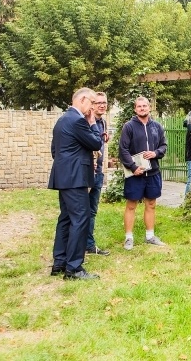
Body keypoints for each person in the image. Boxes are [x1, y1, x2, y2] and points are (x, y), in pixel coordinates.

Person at [49, 87, 104, 280]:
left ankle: (60, 262)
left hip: (64, 177)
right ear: (82, 100)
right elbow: (96, 143)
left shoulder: (62, 120)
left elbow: (54, 150)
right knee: (80, 219)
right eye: (91, 102)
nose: (93, 107)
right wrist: (92, 123)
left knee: (66, 218)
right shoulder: (78, 120)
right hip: (75, 177)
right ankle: (74, 268)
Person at [119, 97, 168, 250]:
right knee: (131, 205)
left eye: (144, 106)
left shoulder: (157, 127)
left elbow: (163, 146)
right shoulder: (128, 127)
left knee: (151, 204)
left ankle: (150, 236)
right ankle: (128, 238)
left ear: (149, 107)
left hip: (152, 172)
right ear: (135, 109)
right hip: (135, 174)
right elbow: (123, 150)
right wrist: (133, 167)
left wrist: (155, 153)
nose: (142, 108)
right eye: (139, 106)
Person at [86, 91, 111, 256]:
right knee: (81, 210)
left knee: (92, 210)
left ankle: (88, 244)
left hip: (99, 172)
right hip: (86, 171)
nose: (102, 105)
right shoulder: (86, 122)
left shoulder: (103, 123)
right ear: (92, 104)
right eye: (98, 102)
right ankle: (77, 245)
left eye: (104, 103)